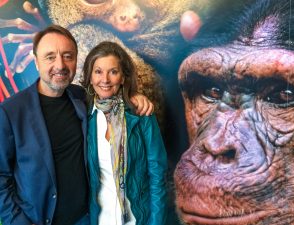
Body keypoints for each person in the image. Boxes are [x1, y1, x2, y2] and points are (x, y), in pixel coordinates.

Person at [0, 25, 153, 225]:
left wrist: (134, 96)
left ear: (76, 60)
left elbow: (111, 95)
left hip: (87, 218)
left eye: (67, 56)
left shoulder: (81, 97)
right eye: (50, 57)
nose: (60, 65)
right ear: (36, 62)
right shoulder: (10, 112)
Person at [80, 41, 168, 225]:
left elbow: (157, 177)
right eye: (98, 71)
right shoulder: (83, 116)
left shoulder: (142, 115)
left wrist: (156, 222)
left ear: (122, 77)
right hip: (100, 219)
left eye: (113, 72)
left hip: (137, 219)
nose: (105, 79)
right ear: (89, 77)